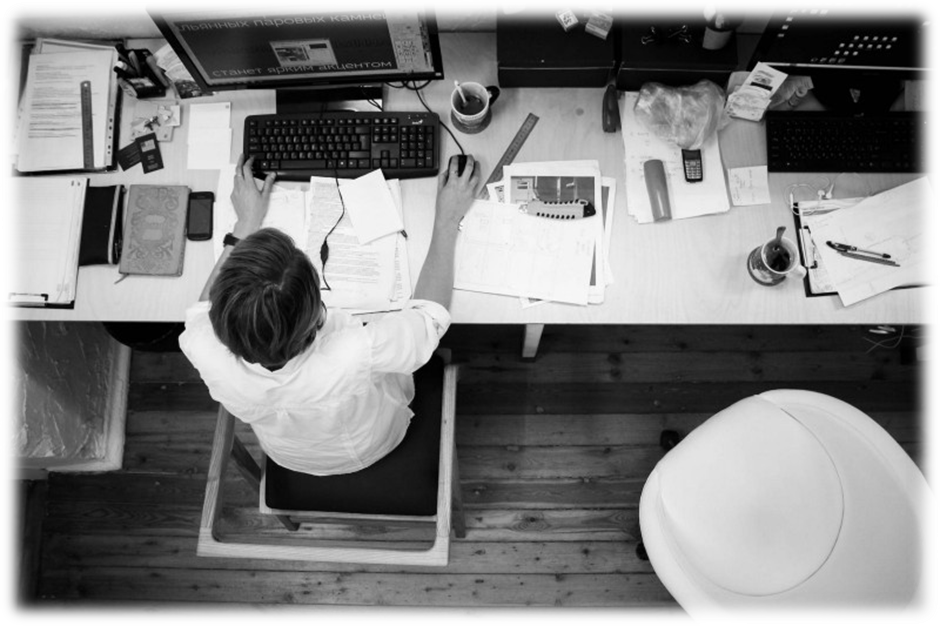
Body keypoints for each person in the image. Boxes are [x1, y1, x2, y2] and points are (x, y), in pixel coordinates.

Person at [179, 154, 480, 475]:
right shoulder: (355, 351)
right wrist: (447, 220)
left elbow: (202, 309)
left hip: (287, 454)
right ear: (316, 313)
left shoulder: (200, 345)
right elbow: (429, 318)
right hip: (371, 444)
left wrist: (244, 225)